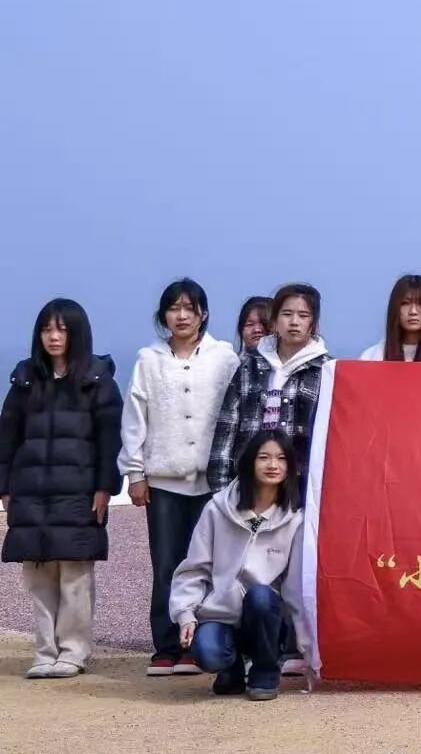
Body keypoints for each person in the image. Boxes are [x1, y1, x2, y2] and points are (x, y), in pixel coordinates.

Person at [121, 279, 240, 676]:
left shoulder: (224, 357)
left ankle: (200, 643)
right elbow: (135, 419)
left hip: (212, 481)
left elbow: (236, 413)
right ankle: (167, 645)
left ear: (203, 313)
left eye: (190, 308)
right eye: (174, 308)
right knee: (166, 564)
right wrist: (134, 472)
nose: (182, 315)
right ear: (163, 316)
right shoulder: (148, 359)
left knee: (208, 563)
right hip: (164, 480)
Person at [1, 298, 122, 680]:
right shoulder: (24, 381)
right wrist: (4, 487)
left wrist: (105, 486)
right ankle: (45, 651)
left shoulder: (98, 381)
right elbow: (6, 438)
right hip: (31, 492)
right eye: (46, 329)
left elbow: (110, 440)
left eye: (62, 330)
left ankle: (73, 650)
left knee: (74, 575)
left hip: (79, 492)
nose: (53, 337)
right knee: (38, 576)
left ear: (77, 334)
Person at [169, 429, 307, 701]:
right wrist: (185, 613)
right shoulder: (216, 509)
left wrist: (305, 644)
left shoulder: (294, 519)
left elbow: (295, 587)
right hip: (221, 612)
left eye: (281, 458)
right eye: (263, 457)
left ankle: (265, 671)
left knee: (261, 595)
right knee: (208, 653)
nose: (273, 465)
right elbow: (194, 568)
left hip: (265, 616)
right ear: (249, 462)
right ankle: (230, 669)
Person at [209, 285, 329, 491]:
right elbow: (228, 425)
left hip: (300, 487)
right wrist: (220, 487)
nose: (294, 322)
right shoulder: (249, 366)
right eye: (287, 314)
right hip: (248, 484)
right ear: (274, 320)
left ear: (314, 323)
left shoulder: (325, 370)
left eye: (303, 315)